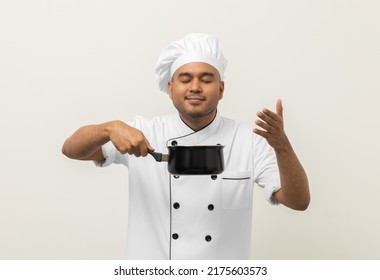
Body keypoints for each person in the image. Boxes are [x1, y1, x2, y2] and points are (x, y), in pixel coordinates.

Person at [62, 33, 310, 260]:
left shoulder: (248, 140)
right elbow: (71, 150)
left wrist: (282, 146)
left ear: (221, 89)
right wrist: (108, 129)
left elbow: (298, 201)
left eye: (206, 79)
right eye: (185, 78)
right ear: (170, 89)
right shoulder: (143, 133)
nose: (195, 87)